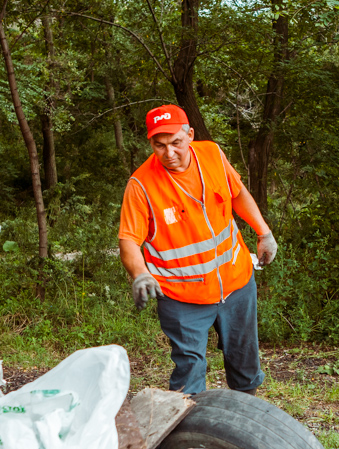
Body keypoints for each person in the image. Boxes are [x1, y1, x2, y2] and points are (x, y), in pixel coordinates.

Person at [118, 105, 278, 395]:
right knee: (189, 371)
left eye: (176, 143)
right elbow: (128, 240)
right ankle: (187, 431)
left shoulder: (212, 155)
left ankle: (245, 418)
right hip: (182, 297)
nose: (169, 153)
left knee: (245, 363)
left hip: (236, 283)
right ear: (150, 143)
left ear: (189, 135)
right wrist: (140, 274)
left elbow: (237, 192)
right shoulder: (141, 185)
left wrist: (263, 232)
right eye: (160, 145)